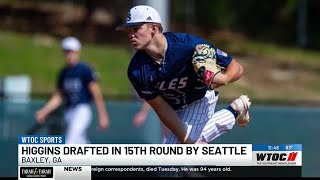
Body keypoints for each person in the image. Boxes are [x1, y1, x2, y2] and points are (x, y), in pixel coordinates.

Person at [117, 5, 251, 144]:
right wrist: (188, 141)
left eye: (136, 28)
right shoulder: (136, 70)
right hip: (171, 110)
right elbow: (160, 107)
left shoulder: (188, 45)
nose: (131, 34)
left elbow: (237, 68)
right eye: (129, 30)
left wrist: (223, 79)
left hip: (198, 99)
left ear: (154, 28)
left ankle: (233, 112)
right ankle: (234, 111)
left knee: (172, 159)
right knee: (181, 153)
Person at [35, 36, 110, 144]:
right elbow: (59, 96)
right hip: (69, 111)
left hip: (82, 110)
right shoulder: (64, 72)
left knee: (70, 142)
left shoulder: (84, 69)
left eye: (71, 51)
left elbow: (96, 93)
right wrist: (44, 110)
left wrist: (103, 115)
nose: (68, 54)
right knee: (80, 142)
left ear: (77, 52)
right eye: (66, 51)